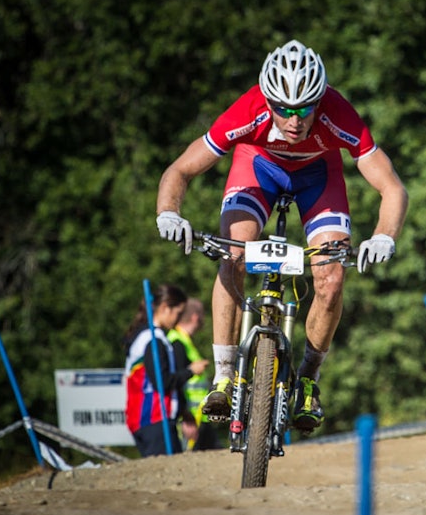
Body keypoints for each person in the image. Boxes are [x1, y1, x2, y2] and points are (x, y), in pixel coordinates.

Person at [154, 39, 408, 433]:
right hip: (258, 167)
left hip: (317, 176)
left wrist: (383, 237)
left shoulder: (339, 114)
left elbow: (392, 188)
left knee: (331, 276)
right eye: (284, 109)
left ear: (319, 101)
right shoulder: (248, 110)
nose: (295, 120)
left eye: (305, 108)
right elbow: (179, 171)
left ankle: (308, 378)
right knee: (234, 253)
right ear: (267, 100)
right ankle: (224, 376)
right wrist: (168, 213)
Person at [123, 284, 210, 458]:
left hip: (151, 420)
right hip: (153, 419)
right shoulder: (152, 340)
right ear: (165, 309)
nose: (177, 320)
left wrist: (183, 412)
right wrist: (190, 371)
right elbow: (162, 382)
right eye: (177, 313)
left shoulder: (149, 337)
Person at [166, 297, 216, 450]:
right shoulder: (177, 341)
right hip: (190, 420)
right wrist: (185, 416)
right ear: (195, 317)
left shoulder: (185, 340)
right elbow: (176, 381)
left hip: (199, 416)